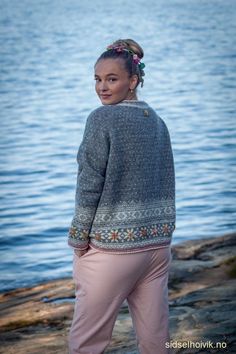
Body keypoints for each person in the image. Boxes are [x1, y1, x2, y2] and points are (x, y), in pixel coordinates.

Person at [67, 38, 176, 354]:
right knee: (156, 340)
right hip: (156, 249)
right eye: (98, 79)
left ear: (134, 80)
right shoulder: (157, 121)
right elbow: (165, 180)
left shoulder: (101, 119)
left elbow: (89, 184)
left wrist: (78, 240)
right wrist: (164, 233)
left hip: (113, 251)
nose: (102, 87)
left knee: (87, 343)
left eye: (111, 79)